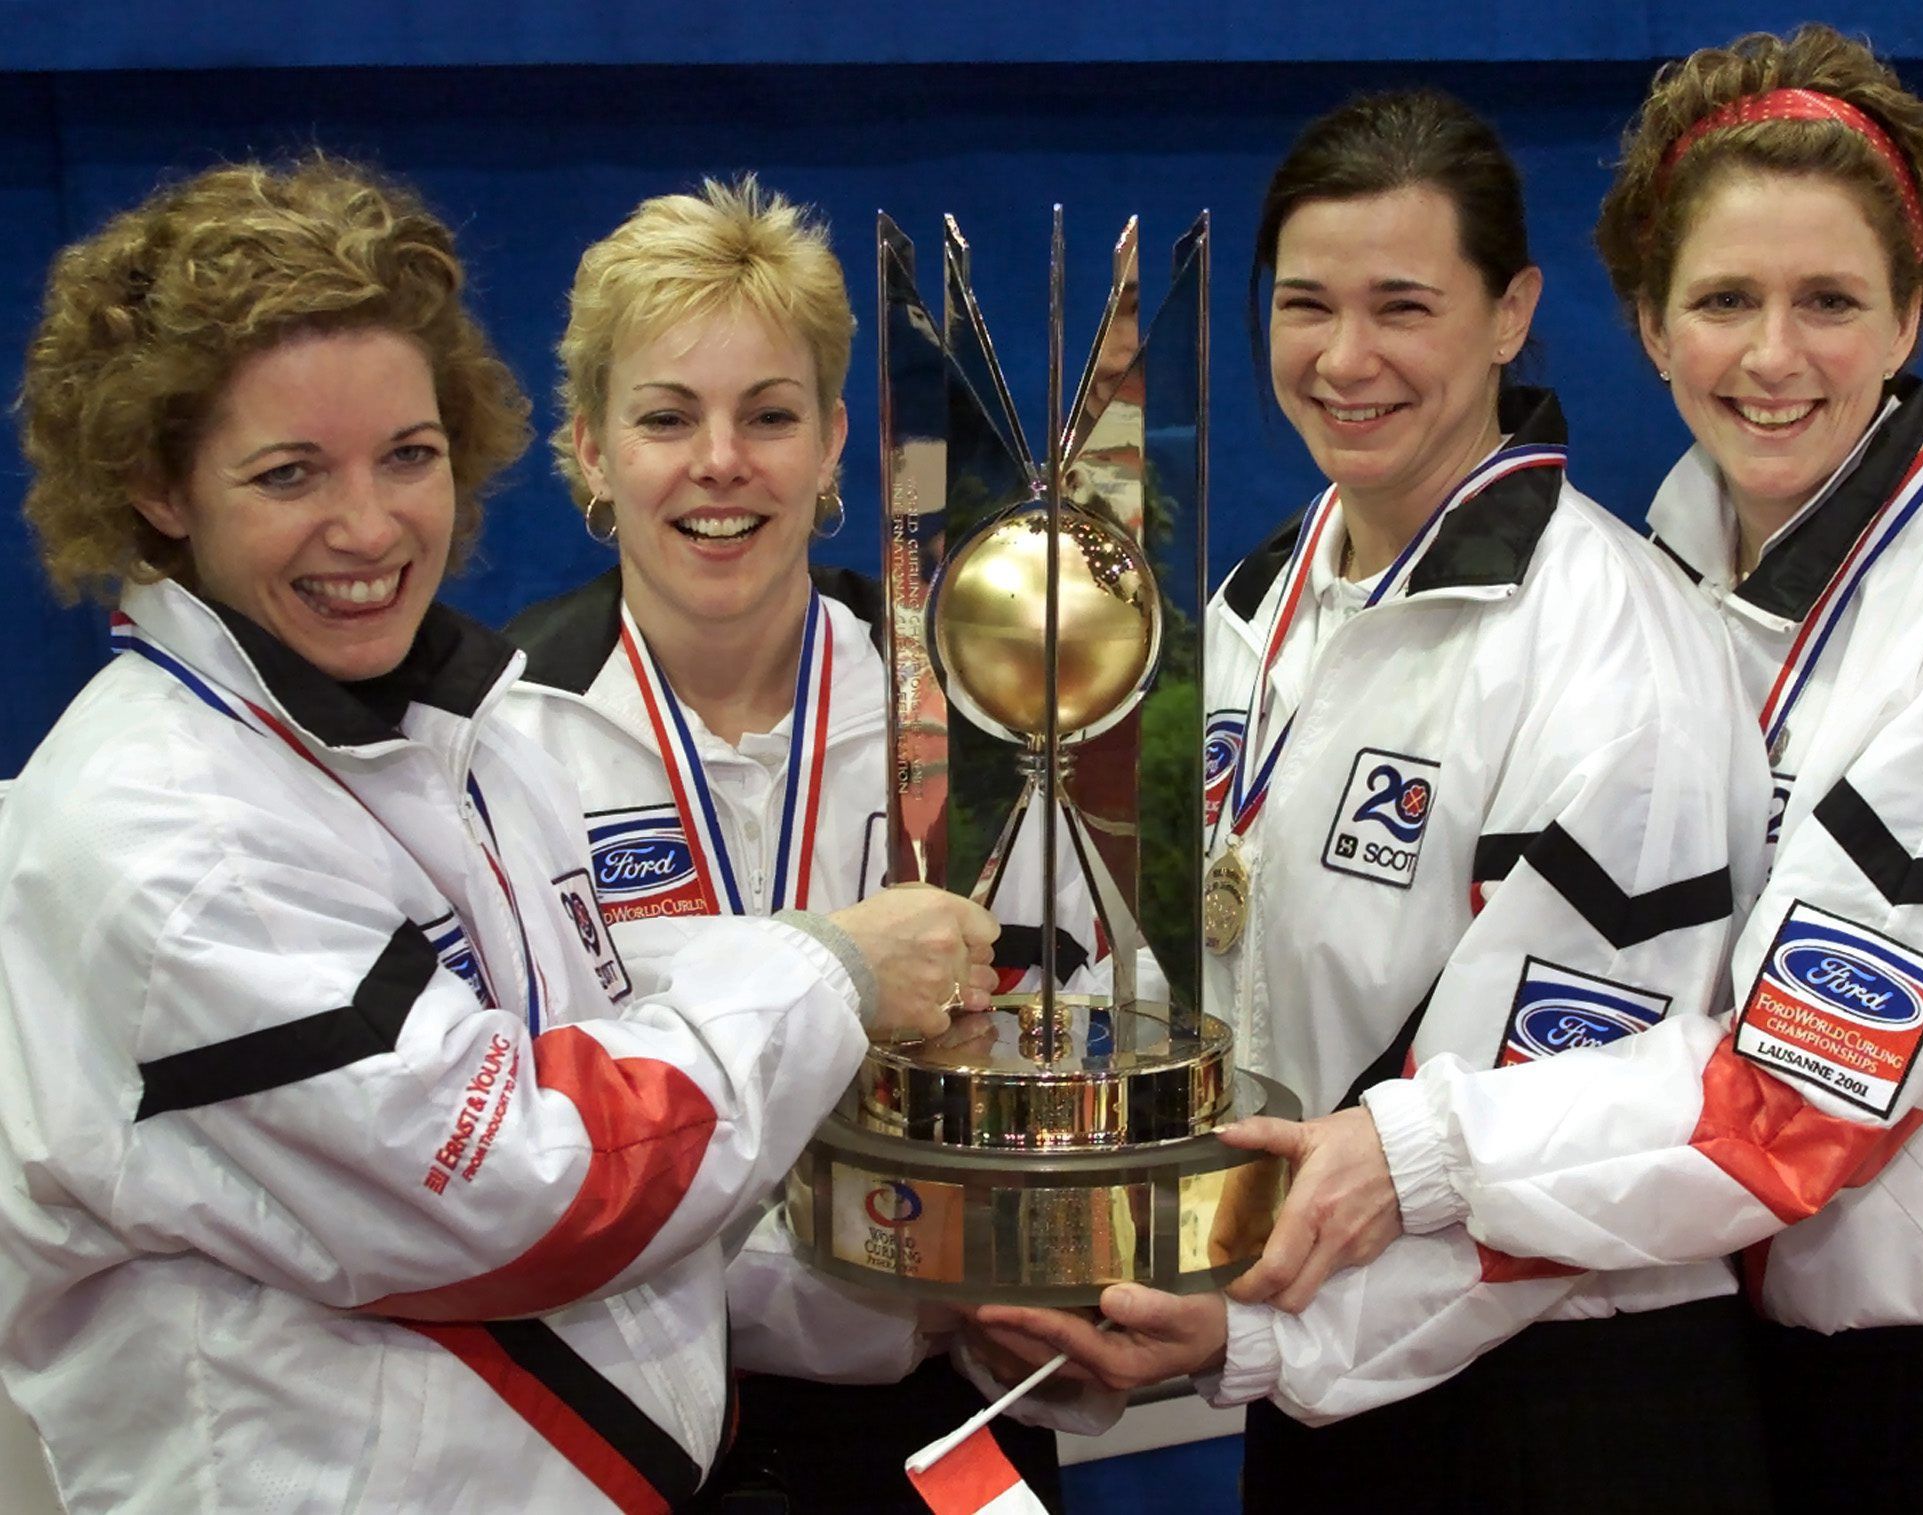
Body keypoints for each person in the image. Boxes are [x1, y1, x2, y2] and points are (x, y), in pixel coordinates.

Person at [0, 156, 998, 1514]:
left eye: (407, 456)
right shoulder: (175, 842)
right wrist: (832, 971)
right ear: (160, 485)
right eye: (292, 472)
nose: (370, 526)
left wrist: (920, 1299)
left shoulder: (437, 738)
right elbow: (532, 1187)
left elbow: (578, 1052)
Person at [1144, 29, 1923, 1513]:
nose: (1773, 355)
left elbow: (1791, 1110)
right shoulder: (1675, 571)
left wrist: (1406, 1156)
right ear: (1649, 325)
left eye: (1831, 302)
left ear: (1915, 315)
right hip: (1674, 1334)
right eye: (1724, 300)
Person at [980, 89, 1779, 1513]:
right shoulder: (1251, 610)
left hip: (1565, 1410)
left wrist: (1263, 1338)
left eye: (1404, 306)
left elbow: (1550, 1124)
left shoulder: (1610, 639)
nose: (1347, 360)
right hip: (1328, 1401)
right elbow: (1186, 981)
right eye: (1307, 306)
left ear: (1513, 311)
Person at [497, 177, 1079, 1512]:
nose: (721, 462)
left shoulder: (975, 708)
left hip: (942, 1416)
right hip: (616, 1425)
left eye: (770, 415)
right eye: (664, 417)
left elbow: (1063, 1040)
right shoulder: (499, 738)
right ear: (586, 447)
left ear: (834, 445)